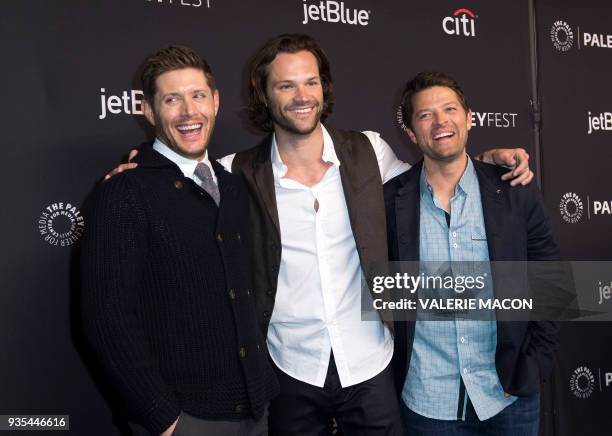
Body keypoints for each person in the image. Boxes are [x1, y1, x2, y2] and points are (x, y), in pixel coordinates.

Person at [107, 34, 534, 435]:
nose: (301, 96)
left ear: (324, 88)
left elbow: (434, 180)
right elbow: (180, 181)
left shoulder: (370, 151)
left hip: (371, 364)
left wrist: (486, 162)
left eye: (311, 82)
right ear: (264, 94)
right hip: (288, 369)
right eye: (286, 85)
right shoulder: (235, 171)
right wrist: (144, 171)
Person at [81, 45, 277, 436]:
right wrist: (164, 418)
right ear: (150, 112)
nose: (189, 111)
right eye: (172, 99)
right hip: (185, 419)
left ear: (216, 102)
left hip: (256, 411)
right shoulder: (125, 192)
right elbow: (106, 318)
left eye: (198, 95)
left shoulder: (236, 187)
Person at [384, 71, 560, 435]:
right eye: (425, 115)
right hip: (427, 401)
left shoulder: (514, 190)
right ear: (412, 134)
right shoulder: (390, 202)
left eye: (449, 109)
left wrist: (536, 362)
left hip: (507, 394)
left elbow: (551, 277)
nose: (440, 121)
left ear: (469, 118)